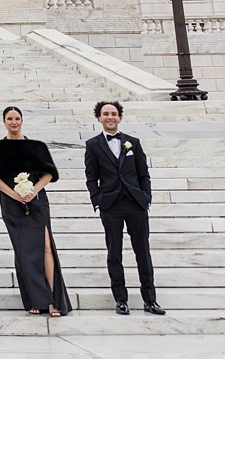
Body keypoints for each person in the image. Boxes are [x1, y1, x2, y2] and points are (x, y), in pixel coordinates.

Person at [0, 106, 72, 316]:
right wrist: (12, 194)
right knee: (24, 252)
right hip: (11, 203)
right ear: (4, 121)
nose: (14, 122)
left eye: (17, 118)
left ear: (22, 120)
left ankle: (52, 300)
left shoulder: (37, 146)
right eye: (9, 119)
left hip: (37, 202)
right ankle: (35, 299)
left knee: (46, 247)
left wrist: (34, 190)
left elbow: (49, 173)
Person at [83, 100, 165, 315]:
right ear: (99, 118)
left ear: (119, 117)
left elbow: (143, 173)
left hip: (136, 203)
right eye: (105, 114)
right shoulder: (93, 145)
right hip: (110, 205)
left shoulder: (133, 143)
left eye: (113, 113)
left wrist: (146, 197)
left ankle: (150, 299)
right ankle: (120, 299)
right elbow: (91, 177)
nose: (110, 117)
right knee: (114, 253)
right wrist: (97, 200)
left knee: (143, 252)